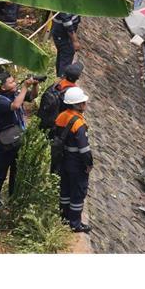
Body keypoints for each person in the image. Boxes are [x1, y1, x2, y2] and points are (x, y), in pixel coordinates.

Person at [0, 74, 39, 212]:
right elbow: (16, 106)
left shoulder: (15, 93)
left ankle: (12, 198)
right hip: (4, 143)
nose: (14, 83)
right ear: (2, 86)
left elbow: (32, 96)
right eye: (11, 82)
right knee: (0, 173)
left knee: (15, 171)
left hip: (16, 139)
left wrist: (34, 84)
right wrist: (24, 87)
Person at [53, 87, 92, 232]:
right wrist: (88, 164)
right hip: (76, 163)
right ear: (80, 105)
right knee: (78, 192)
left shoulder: (61, 116)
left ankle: (64, 217)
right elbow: (84, 149)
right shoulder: (78, 124)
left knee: (65, 190)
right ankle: (75, 224)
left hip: (63, 160)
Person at [51, 11, 81, 76]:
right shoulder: (64, 4)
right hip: (63, 34)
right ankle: (62, 80)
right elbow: (67, 22)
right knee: (67, 55)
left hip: (60, 32)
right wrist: (75, 41)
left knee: (63, 55)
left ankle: (59, 78)